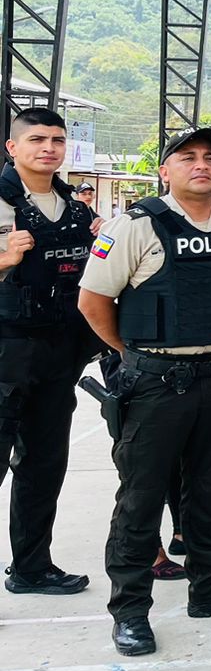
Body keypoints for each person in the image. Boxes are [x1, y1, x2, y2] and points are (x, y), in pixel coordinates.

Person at [77, 127, 211, 657]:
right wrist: (132, 353)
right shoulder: (134, 225)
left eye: (210, 157)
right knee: (140, 499)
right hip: (157, 382)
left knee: (208, 494)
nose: (201, 165)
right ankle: (130, 611)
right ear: (166, 171)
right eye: (187, 157)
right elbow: (92, 301)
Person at [0, 108, 102, 600]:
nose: (48, 148)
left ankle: (32, 568)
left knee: (44, 464)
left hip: (60, 353)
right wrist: (4, 258)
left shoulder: (76, 209)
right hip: (6, 353)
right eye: (37, 139)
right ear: (12, 147)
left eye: (57, 140)